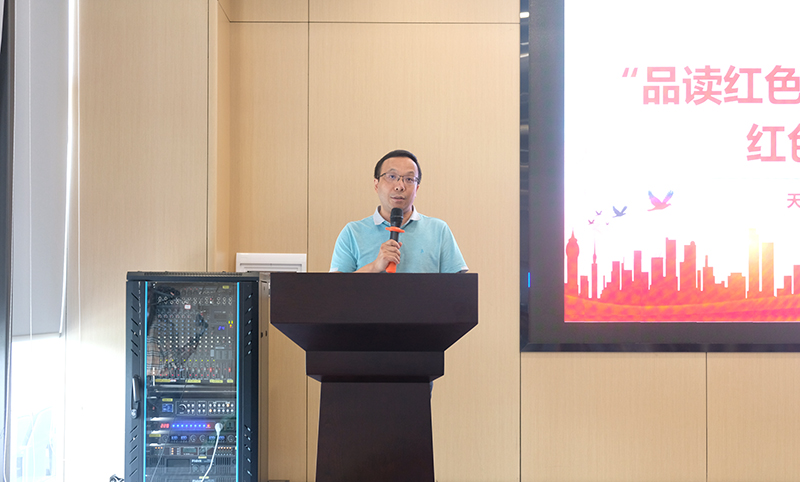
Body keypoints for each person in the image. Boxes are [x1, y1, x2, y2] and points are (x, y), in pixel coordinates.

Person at [330, 149, 468, 273]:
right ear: (376, 185)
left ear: (416, 189)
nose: (400, 186)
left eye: (409, 179)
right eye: (392, 176)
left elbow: (459, 287)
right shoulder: (352, 233)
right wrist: (374, 267)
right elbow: (335, 289)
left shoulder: (439, 230)